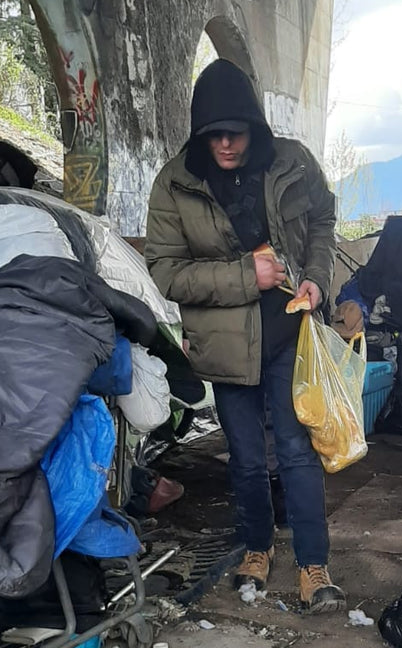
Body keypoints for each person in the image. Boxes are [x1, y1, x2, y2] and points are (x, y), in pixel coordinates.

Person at [145, 59, 345, 613]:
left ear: (255, 125)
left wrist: (316, 280)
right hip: (227, 346)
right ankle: (256, 547)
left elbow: (324, 220)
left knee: (298, 452)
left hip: (291, 334)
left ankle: (313, 564)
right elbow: (164, 270)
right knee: (247, 460)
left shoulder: (292, 162)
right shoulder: (176, 182)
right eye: (214, 135)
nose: (225, 145)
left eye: (234, 132)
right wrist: (243, 276)